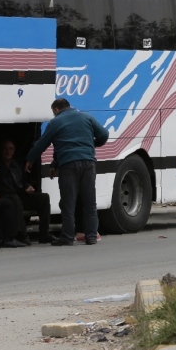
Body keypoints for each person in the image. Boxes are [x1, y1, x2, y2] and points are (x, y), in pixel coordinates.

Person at [26, 98, 109, 247]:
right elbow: (104, 134)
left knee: (68, 203)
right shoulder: (86, 117)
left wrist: (30, 159)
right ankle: (91, 236)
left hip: (69, 165)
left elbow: (42, 143)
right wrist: (90, 144)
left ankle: (67, 237)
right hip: (88, 163)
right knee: (89, 203)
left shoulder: (56, 122)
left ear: (57, 110)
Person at [0, 140, 58, 245]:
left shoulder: (17, 165)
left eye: (11, 149)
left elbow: (24, 181)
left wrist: (28, 187)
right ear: (1, 150)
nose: (8, 151)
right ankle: (22, 235)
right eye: (5, 148)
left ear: (14, 151)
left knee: (44, 197)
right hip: (6, 197)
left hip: (20, 195)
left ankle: (44, 234)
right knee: (15, 198)